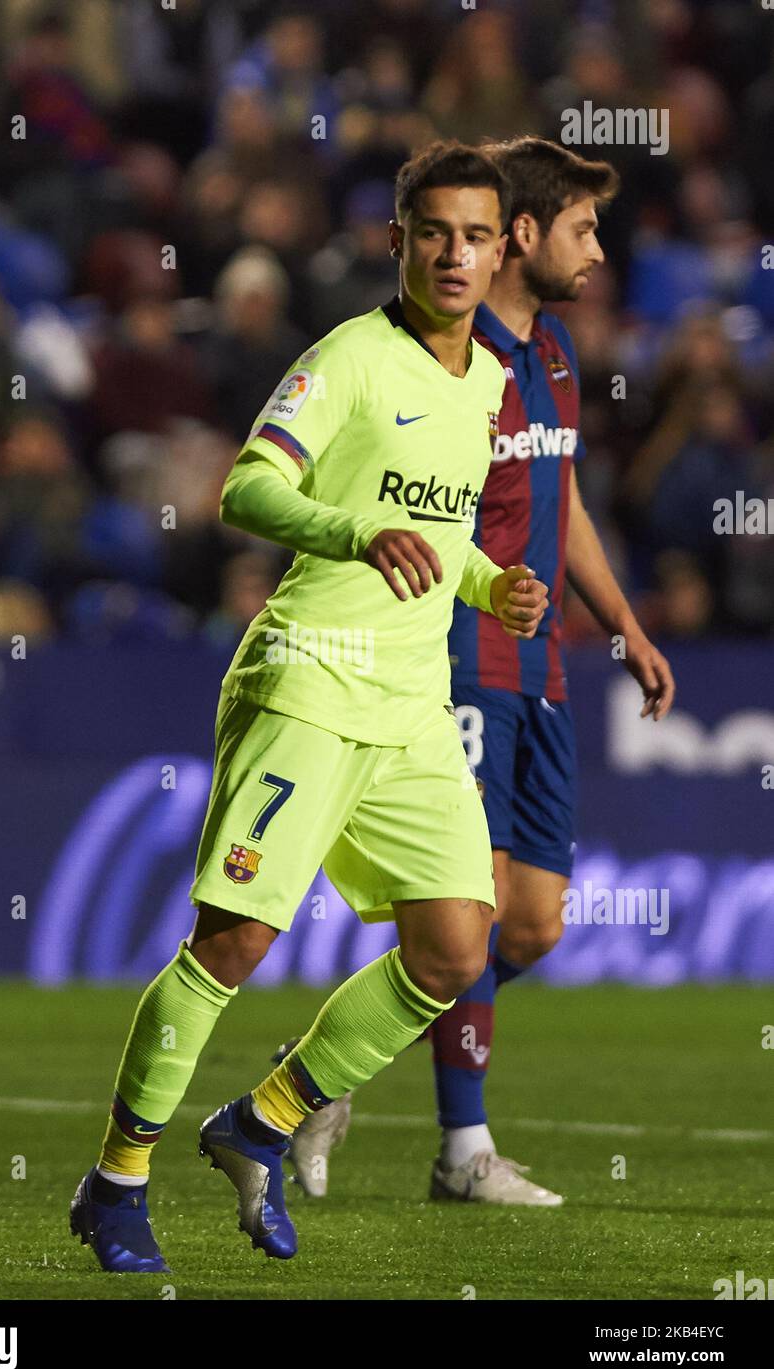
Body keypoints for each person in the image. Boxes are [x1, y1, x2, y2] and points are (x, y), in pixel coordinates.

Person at [69, 140, 550, 1271]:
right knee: (234, 940)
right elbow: (244, 485)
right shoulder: (345, 357)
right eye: (430, 231)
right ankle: (116, 1179)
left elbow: (436, 536)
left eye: (474, 235)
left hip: (410, 703)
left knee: (453, 946)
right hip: (310, 676)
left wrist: (494, 583)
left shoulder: (486, 379)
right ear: (395, 240)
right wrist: (348, 532)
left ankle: (263, 1122)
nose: (452, 253)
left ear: (500, 250)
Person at [289, 137, 677, 1207]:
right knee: (474, 908)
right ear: (522, 234)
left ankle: (334, 1069)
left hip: (542, 665)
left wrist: (623, 626)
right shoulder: (449, 365)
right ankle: (460, 1150)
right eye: (581, 229)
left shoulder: (549, 353)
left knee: (534, 923)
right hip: (462, 661)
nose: (597, 251)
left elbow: (567, 503)